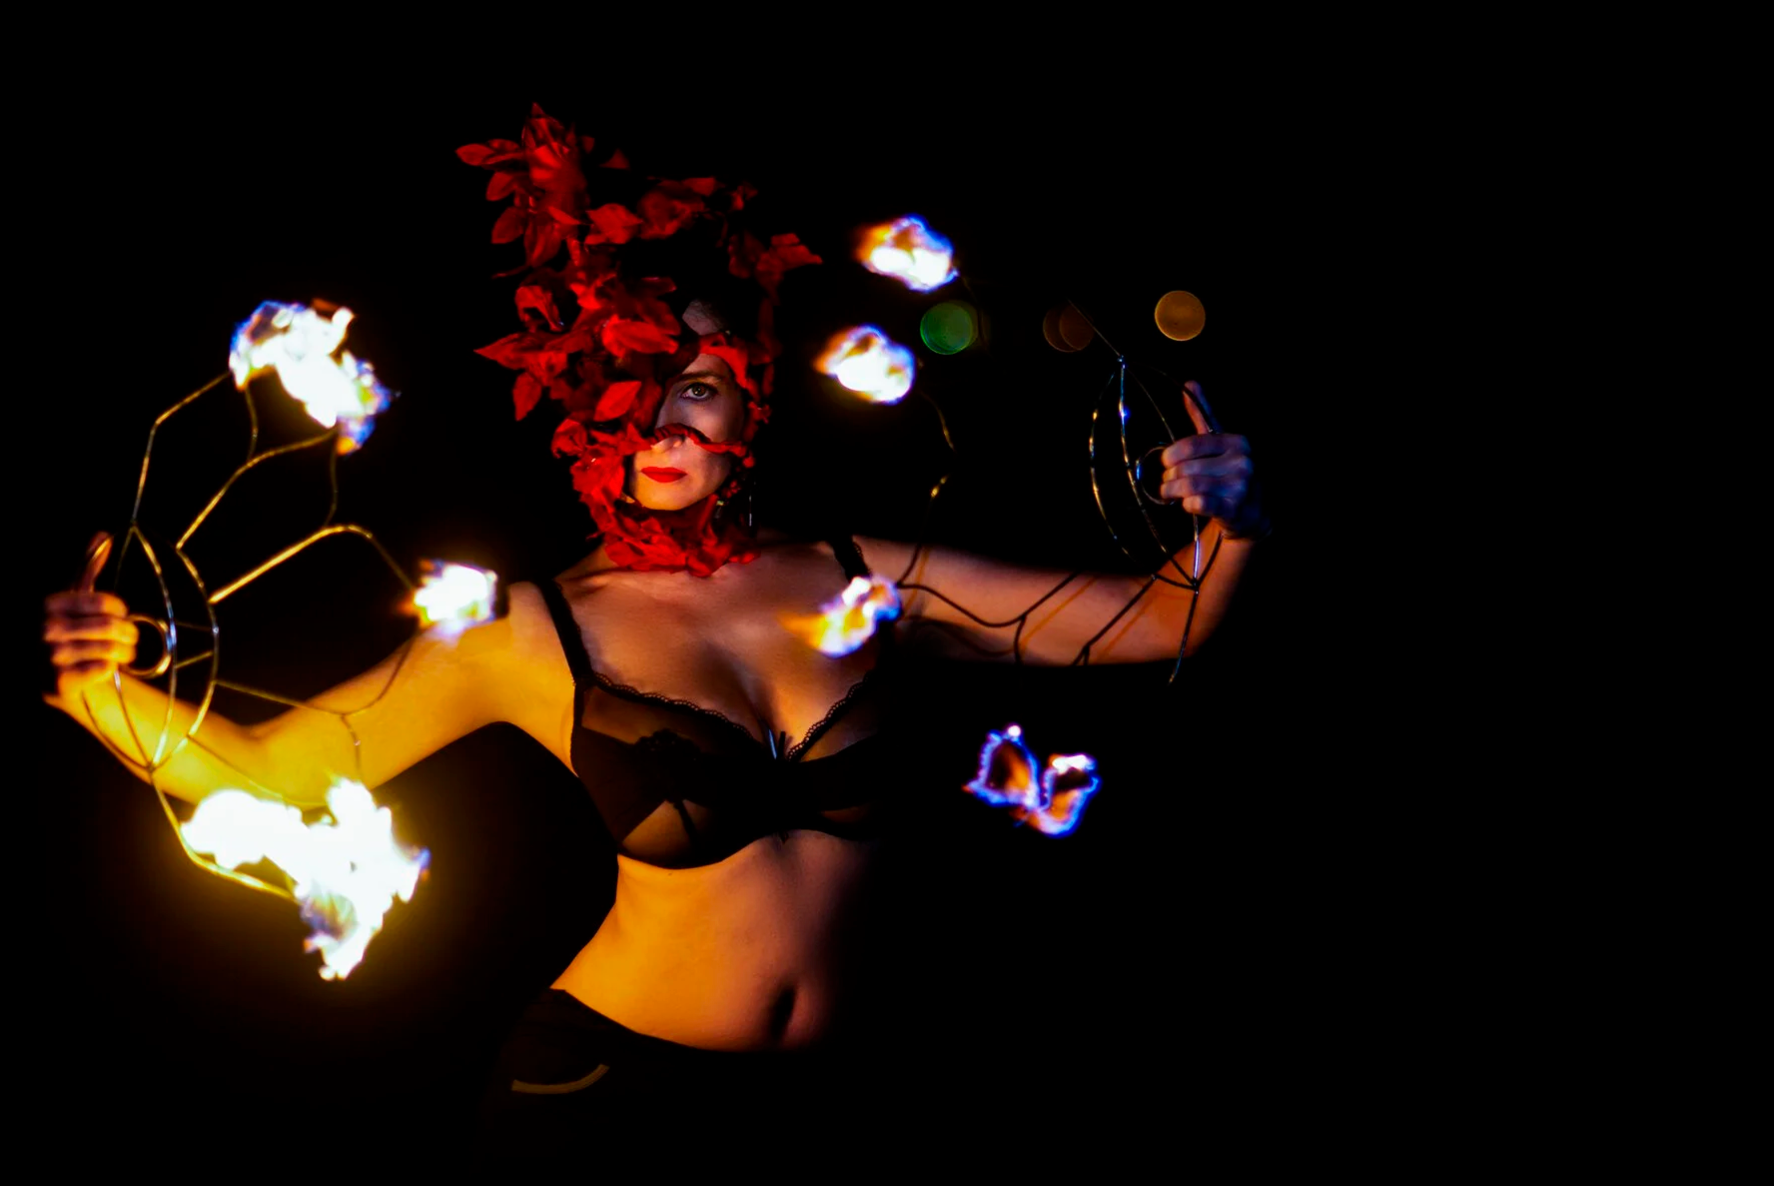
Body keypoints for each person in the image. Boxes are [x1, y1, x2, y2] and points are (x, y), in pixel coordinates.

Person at [41, 111, 1269, 1157]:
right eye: (626, 387)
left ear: (747, 401)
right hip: (604, 1098)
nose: (663, 421)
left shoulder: (858, 575)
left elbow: (1163, 617)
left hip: (854, 1097)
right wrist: (100, 688)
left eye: (695, 384)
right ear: (578, 411)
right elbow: (273, 773)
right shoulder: (535, 628)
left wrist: (1232, 521)